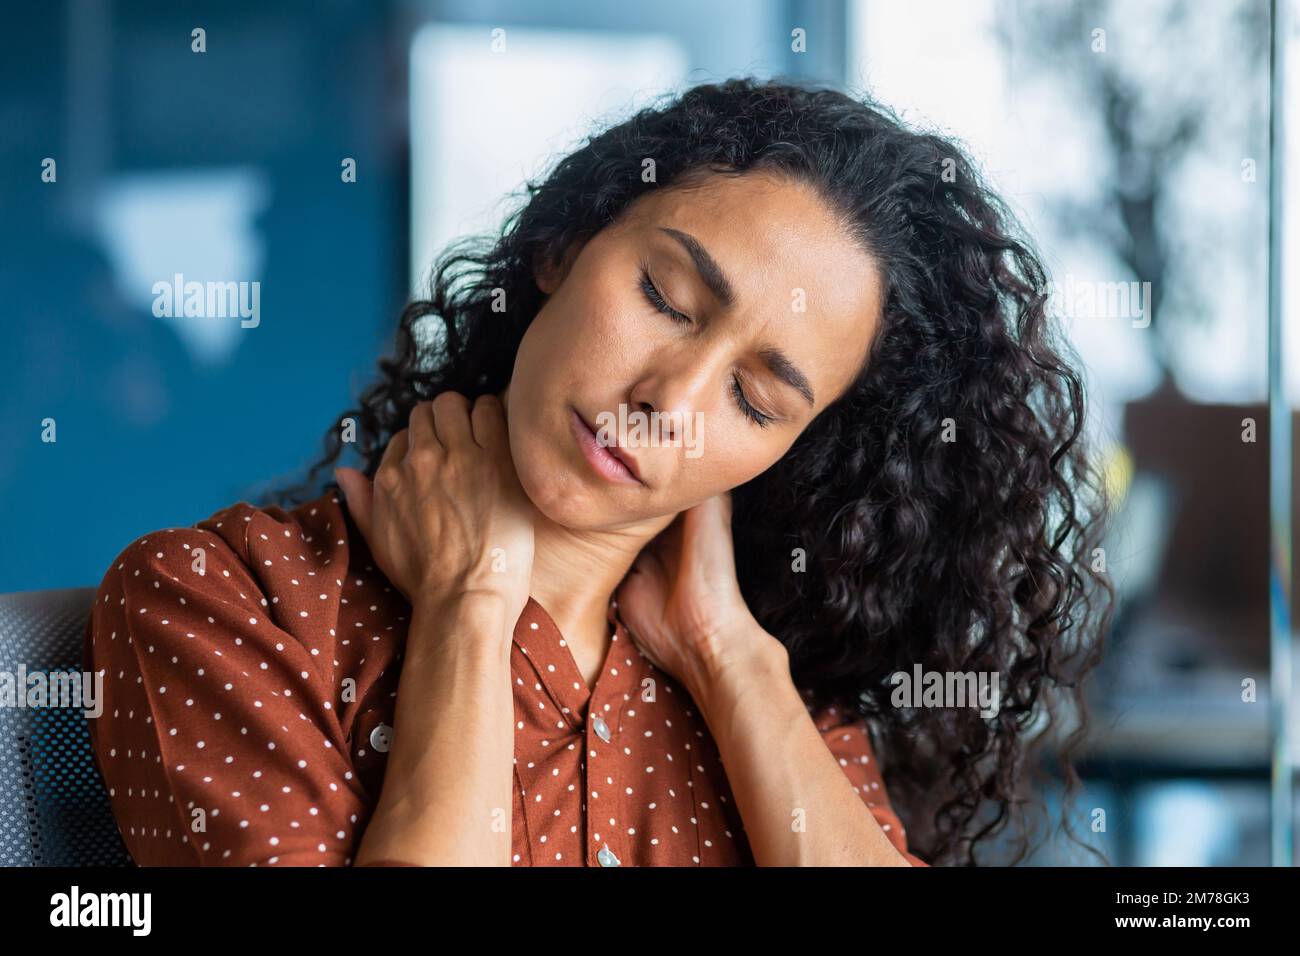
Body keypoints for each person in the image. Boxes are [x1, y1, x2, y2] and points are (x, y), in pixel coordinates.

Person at [84, 76, 1113, 867]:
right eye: (666, 297)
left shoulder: (756, 679)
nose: (666, 401)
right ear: (564, 244)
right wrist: (467, 606)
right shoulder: (226, 602)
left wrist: (731, 659)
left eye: (756, 401)